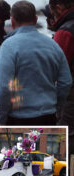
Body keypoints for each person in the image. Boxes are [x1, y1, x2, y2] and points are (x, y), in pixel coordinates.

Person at [0, 1, 72, 125]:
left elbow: (4, 87)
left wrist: (2, 117)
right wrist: (56, 106)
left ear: (12, 20)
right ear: (36, 19)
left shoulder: (8, 46)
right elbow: (66, 81)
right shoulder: (52, 45)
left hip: (18, 118)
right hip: (48, 116)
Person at [49, 0, 74, 155]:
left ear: (58, 8)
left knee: (67, 140)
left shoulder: (65, 32)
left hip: (70, 98)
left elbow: (53, 69)